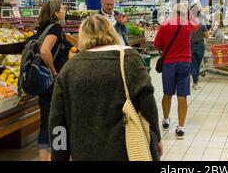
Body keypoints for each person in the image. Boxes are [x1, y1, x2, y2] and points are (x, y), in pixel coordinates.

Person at [49, 14, 162, 160]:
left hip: (84, 152)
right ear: (111, 32)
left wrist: (59, 156)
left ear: (82, 36)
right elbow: (148, 104)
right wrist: (156, 137)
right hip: (127, 150)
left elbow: (57, 120)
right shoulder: (129, 59)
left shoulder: (69, 68)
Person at [154, 3, 199, 139]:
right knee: (182, 96)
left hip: (169, 63)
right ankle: (181, 128)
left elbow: (156, 44)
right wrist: (188, 12)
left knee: (167, 94)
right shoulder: (187, 24)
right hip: (184, 63)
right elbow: (196, 24)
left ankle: (166, 119)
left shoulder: (165, 24)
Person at [35, 0, 72, 161]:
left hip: (44, 83)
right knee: (58, 122)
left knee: (46, 122)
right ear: (55, 13)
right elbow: (44, 51)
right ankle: (56, 157)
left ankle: (45, 158)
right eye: (62, 9)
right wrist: (54, 71)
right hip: (54, 83)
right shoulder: (56, 28)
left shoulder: (40, 29)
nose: (64, 11)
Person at [189, 3, 209, 90]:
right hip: (200, 45)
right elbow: (207, 35)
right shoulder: (201, 22)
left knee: (193, 64)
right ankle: (195, 82)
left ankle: (194, 82)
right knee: (197, 65)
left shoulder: (187, 22)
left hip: (190, 45)